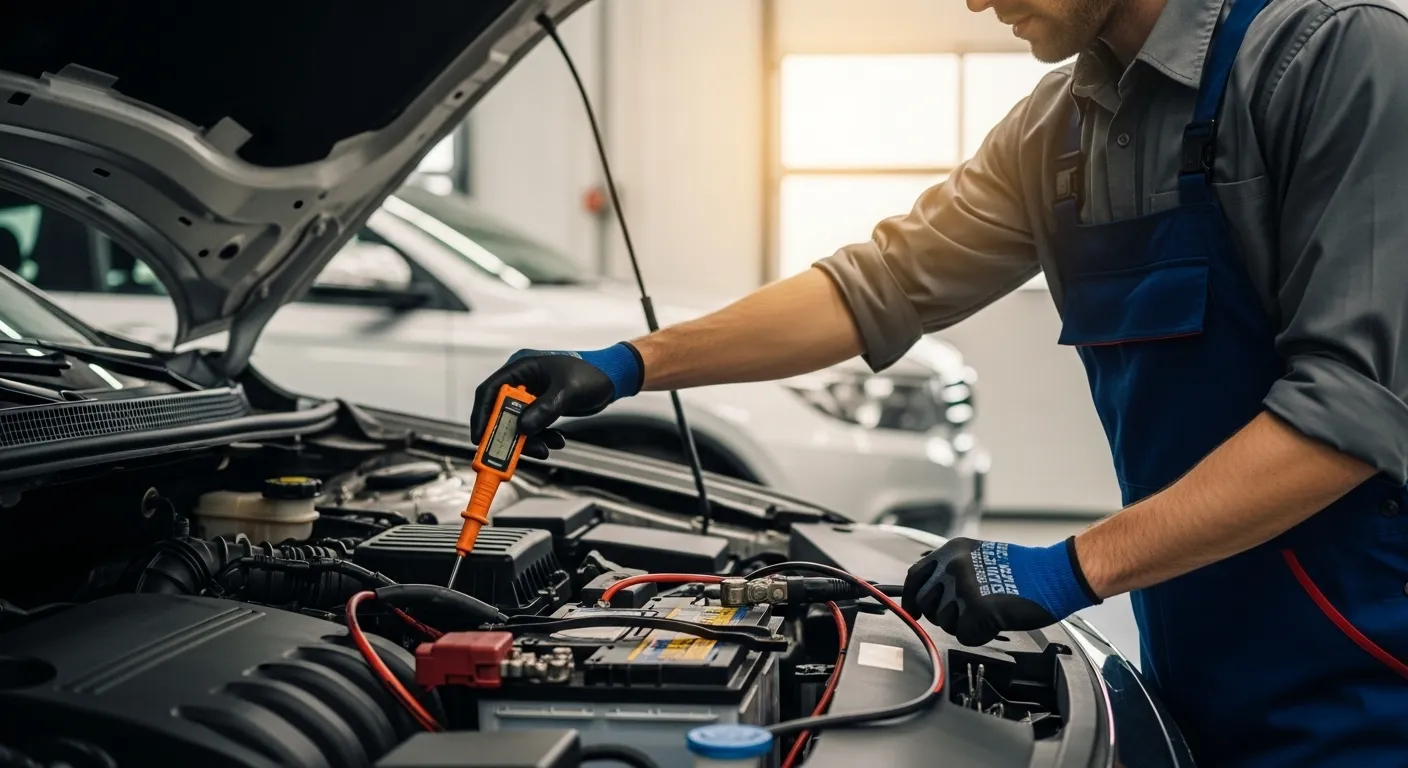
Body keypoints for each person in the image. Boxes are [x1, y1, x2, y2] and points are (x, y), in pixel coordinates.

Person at [471, 0, 1408, 763]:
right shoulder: (1056, 129)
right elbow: (875, 287)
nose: (972, 1)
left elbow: (1347, 417)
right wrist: (626, 364)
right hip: (1190, 658)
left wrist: (1065, 568)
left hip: (1365, 679)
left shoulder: (1336, 62)